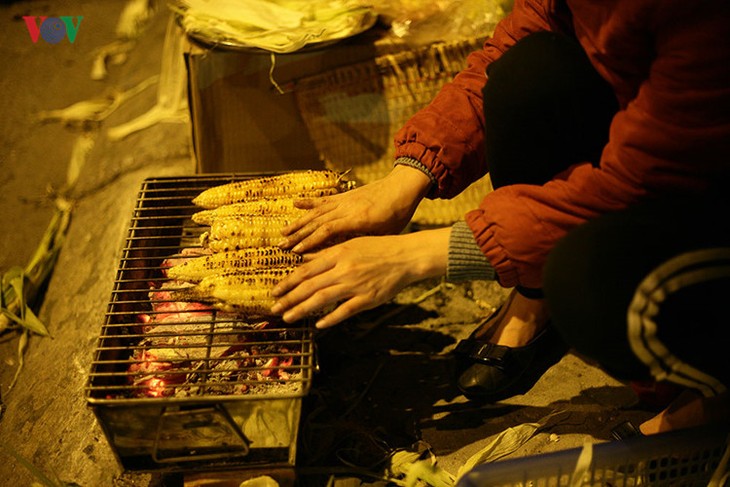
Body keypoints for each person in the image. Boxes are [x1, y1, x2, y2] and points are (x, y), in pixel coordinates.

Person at [270, 0, 730, 437]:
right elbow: (521, 35)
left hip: (703, 186)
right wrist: (409, 175)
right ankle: (534, 294)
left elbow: (648, 183)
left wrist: (414, 255)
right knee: (526, 73)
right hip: (650, 133)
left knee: (585, 281)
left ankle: (713, 391)